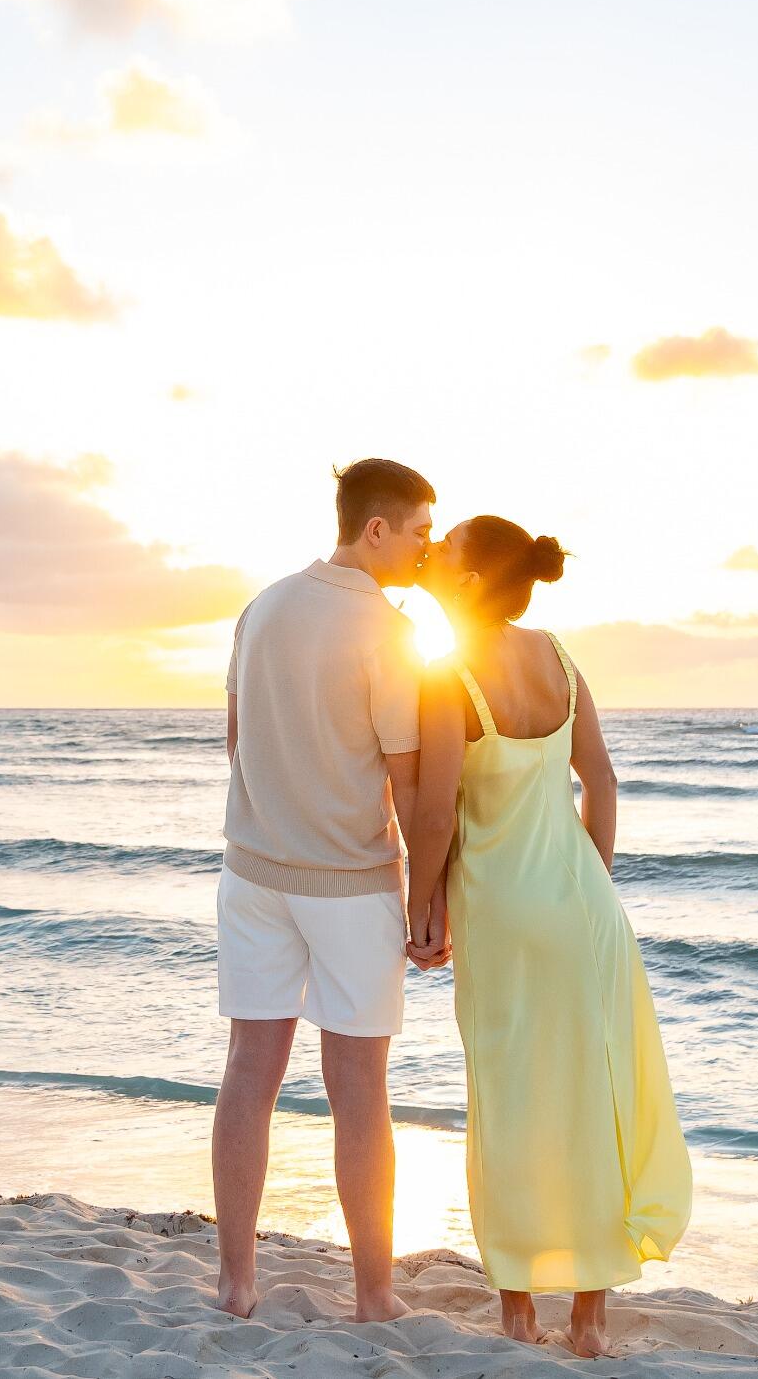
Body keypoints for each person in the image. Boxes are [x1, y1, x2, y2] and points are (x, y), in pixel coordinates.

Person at [402, 516, 693, 1357]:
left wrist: (422, 906)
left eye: (448, 545)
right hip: (584, 910)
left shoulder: (448, 672)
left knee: (512, 1103)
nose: (437, 551)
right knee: (592, 1099)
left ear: (468, 579)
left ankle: (520, 1311)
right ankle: (591, 1317)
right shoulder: (559, 657)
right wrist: (592, 879)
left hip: (504, 913)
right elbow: (599, 778)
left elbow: (432, 811)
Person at [211, 457, 436, 1323]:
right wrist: (426, 895)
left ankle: (236, 1284)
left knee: (249, 1071)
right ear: (373, 529)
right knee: (358, 1090)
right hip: (349, 883)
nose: (427, 548)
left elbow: (236, 739)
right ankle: (374, 1297)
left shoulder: (260, 605)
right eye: (418, 531)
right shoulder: (388, 630)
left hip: (253, 874)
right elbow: (408, 783)